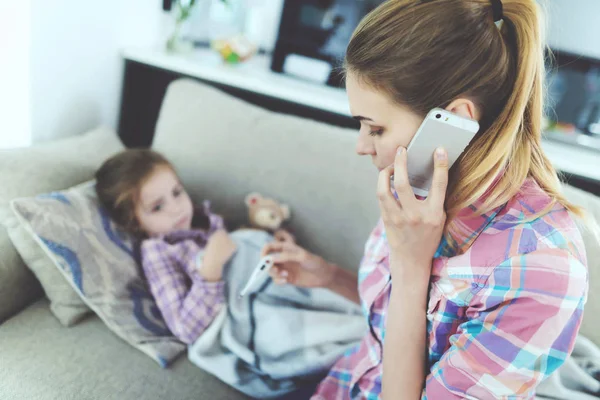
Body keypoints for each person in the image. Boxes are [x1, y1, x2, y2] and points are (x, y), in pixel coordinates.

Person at [261, 0, 589, 398]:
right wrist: (329, 276)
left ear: (455, 121)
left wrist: (411, 262)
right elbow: (410, 319)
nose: (361, 147)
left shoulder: (538, 270)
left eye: (376, 129)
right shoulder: (425, 185)